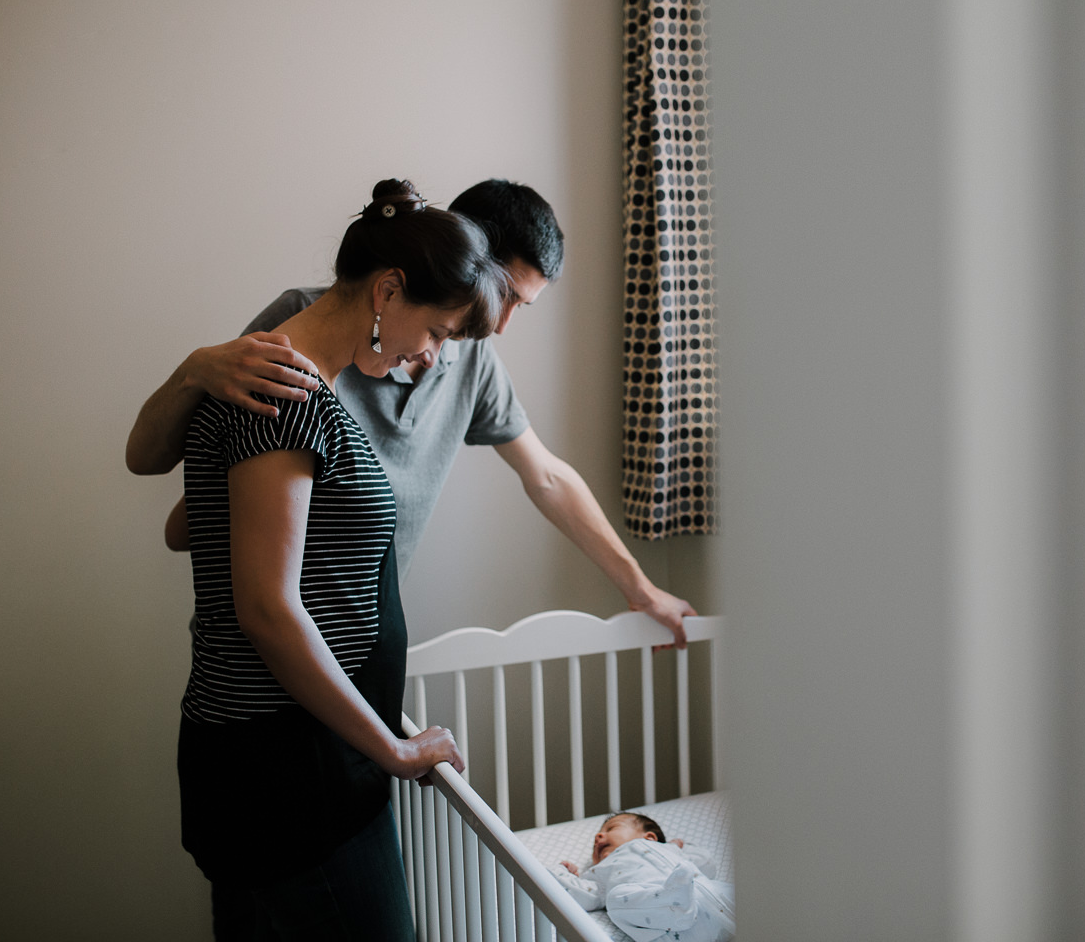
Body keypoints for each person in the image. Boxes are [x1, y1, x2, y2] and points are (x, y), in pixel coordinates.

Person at [125, 178, 695, 648]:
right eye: (505, 297)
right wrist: (195, 369)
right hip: (268, 653)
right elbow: (195, 500)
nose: (500, 325)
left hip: (359, 645)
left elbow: (545, 475)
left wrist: (642, 590)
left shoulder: (473, 361)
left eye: (521, 306)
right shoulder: (306, 326)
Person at [176, 180, 498, 939]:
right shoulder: (287, 393)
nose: (432, 356)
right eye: (440, 331)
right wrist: (389, 746)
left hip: (292, 760)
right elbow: (266, 606)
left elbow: (193, 525)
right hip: (294, 773)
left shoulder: (283, 384)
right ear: (389, 290)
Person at [552, 813, 735, 942]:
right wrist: (561, 871)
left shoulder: (671, 851)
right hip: (668, 929)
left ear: (650, 837)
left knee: (735, 889)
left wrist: (680, 846)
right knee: (615, 899)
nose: (598, 836)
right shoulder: (599, 872)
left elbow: (708, 863)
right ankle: (671, 903)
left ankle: (677, 900)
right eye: (596, 840)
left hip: (715, 906)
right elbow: (575, 894)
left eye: (612, 828)